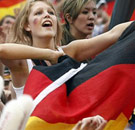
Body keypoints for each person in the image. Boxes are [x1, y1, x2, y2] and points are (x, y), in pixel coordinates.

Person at [0, 0, 133, 129]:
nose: (46, 15)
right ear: (27, 26)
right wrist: (48, 55)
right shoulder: (23, 63)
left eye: (51, 13)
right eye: (38, 13)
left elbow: (113, 34)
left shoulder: (70, 50)